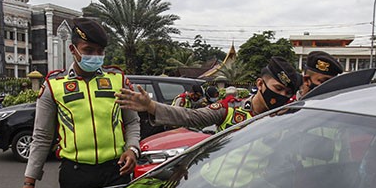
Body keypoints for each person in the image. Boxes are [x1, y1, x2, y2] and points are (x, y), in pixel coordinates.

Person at [17, 17, 140, 188]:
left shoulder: (118, 80)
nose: (95, 56)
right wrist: (29, 183)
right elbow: (42, 136)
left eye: (100, 51)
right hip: (74, 174)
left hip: (116, 171)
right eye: (88, 50)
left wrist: (132, 149)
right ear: (72, 49)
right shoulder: (54, 85)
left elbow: (132, 121)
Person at [116, 56, 301, 133]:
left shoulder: (286, 121)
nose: (283, 96)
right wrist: (152, 106)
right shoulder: (230, 108)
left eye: (288, 93)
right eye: (278, 89)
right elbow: (191, 117)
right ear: (260, 84)